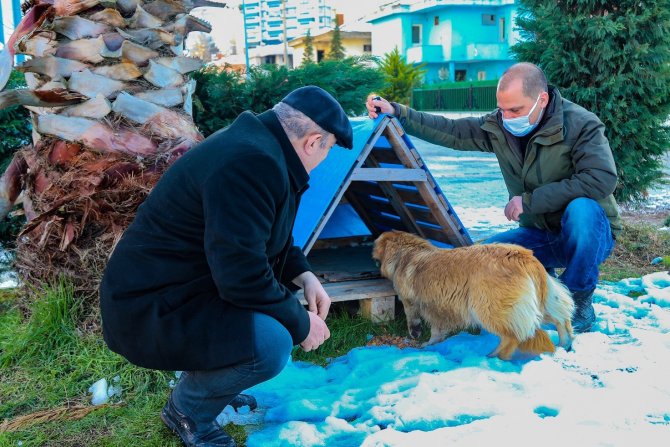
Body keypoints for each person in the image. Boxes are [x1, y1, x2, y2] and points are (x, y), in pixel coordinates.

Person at [100, 85, 353, 447]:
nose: (324, 158)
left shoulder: (257, 146)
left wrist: (304, 273)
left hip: (175, 293)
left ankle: (210, 388)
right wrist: (301, 324)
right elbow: (241, 277)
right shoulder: (252, 161)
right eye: (327, 149)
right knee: (271, 343)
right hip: (147, 310)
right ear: (314, 142)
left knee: (264, 328)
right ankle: (188, 410)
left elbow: (261, 235)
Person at [366, 62, 621, 334]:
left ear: (542, 99)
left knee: (582, 210)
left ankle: (578, 300)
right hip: (540, 232)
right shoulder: (501, 126)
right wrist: (399, 113)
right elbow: (454, 131)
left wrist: (529, 201)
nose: (507, 117)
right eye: (502, 109)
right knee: (481, 257)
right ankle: (542, 289)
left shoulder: (581, 124)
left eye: (516, 110)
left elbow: (601, 178)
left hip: (589, 234)